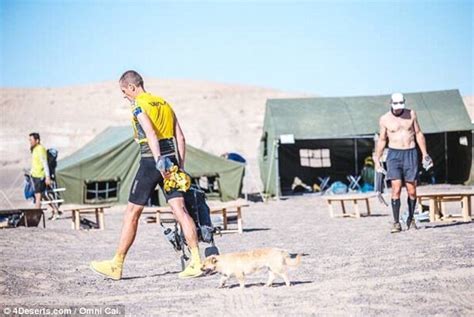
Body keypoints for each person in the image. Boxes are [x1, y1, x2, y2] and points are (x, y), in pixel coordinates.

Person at [90, 70, 202, 280]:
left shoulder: (139, 106)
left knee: (132, 212)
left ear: (132, 87)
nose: (124, 96)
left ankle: (117, 264)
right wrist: (180, 166)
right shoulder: (164, 103)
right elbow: (181, 137)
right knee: (180, 210)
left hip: (152, 162)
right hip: (173, 162)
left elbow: (150, 133)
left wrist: (158, 161)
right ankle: (196, 261)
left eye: (124, 91)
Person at [374, 93, 433, 233]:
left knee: (412, 189)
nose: (397, 109)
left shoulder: (411, 114)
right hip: (394, 154)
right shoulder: (385, 119)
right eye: (395, 105)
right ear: (391, 103)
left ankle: (411, 218)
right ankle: (396, 222)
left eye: (400, 105)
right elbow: (382, 139)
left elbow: (418, 133)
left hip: (410, 153)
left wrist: (425, 154)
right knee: (396, 188)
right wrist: (377, 158)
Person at [29, 133, 60, 220]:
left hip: (40, 176)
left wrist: (47, 176)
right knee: (43, 195)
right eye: (29, 140)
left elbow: (44, 163)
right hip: (35, 175)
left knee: (38, 196)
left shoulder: (41, 149)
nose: (30, 142)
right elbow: (35, 163)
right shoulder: (34, 149)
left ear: (37, 140)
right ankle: (56, 210)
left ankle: (35, 217)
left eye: (31, 140)